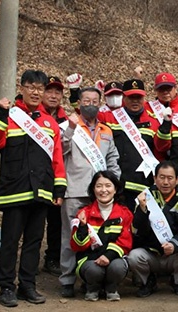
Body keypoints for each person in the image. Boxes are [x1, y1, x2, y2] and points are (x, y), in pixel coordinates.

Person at [0, 70, 67, 307]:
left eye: (40, 88)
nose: (36, 92)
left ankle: (27, 285)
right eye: (31, 87)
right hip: (15, 190)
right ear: (22, 87)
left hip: (41, 191)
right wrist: (2, 113)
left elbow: (57, 160)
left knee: (34, 242)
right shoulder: (10, 116)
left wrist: (59, 190)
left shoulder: (49, 123)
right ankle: (6, 287)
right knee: (10, 241)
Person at [59, 86, 121, 298]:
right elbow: (60, 150)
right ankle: (67, 279)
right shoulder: (68, 126)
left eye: (95, 101)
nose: (91, 105)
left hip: (101, 193)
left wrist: (114, 182)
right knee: (71, 237)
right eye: (86, 100)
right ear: (79, 102)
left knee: (97, 238)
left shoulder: (106, 131)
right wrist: (69, 128)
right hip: (75, 190)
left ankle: (90, 279)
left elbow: (113, 158)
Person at [129, 161, 178, 297]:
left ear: (177, 180)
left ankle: (177, 282)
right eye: (161, 177)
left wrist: (174, 244)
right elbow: (138, 232)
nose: (165, 182)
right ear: (155, 179)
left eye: (170, 178)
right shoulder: (145, 197)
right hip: (152, 254)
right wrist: (142, 210)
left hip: (174, 255)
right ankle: (148, 281)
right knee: (134, 256)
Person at [99, 79, 162, 211]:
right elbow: (88, 115)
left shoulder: (154, 122)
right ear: (124, 98)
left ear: (144, 97)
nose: (135, 101)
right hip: (117, 185)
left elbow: (161, 151)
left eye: (138, 97)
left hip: (143, 185)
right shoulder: (111, 118)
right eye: (131, 97)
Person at [70, 171, 133, 302]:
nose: (103, 190)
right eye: (99, 186)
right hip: (90, 260)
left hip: (114, 259)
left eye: (108, 186)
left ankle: (111, 288)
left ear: (115, 189)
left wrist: (108, 256)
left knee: (117, 267)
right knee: (94, 270)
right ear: (93, 189)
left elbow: (125, 242)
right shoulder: (83, 213)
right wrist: (82, 227)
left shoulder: (125, 213)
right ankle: (92, 288)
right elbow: (77, 246)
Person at [40, 76, 68, 277]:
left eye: (57, 92)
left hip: (57, 175)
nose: (53, 95)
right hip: (36, 176)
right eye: (49, 91)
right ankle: (30, 260)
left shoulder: (65, 120)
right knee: (34, 219)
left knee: (56, 220)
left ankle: (52, 257)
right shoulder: (30, 116)